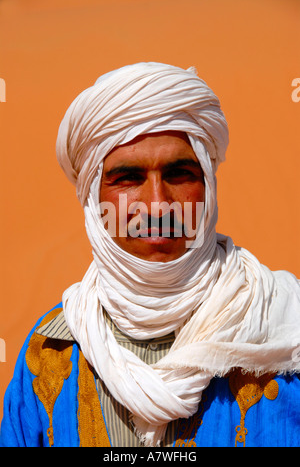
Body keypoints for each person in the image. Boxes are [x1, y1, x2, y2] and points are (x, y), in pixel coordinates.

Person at [1, 62, 300, 448]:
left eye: (179, 173)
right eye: (127, 178)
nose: (158, 206)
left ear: (207, 186)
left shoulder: (282, 332)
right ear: (94, 198)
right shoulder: (49, 354)